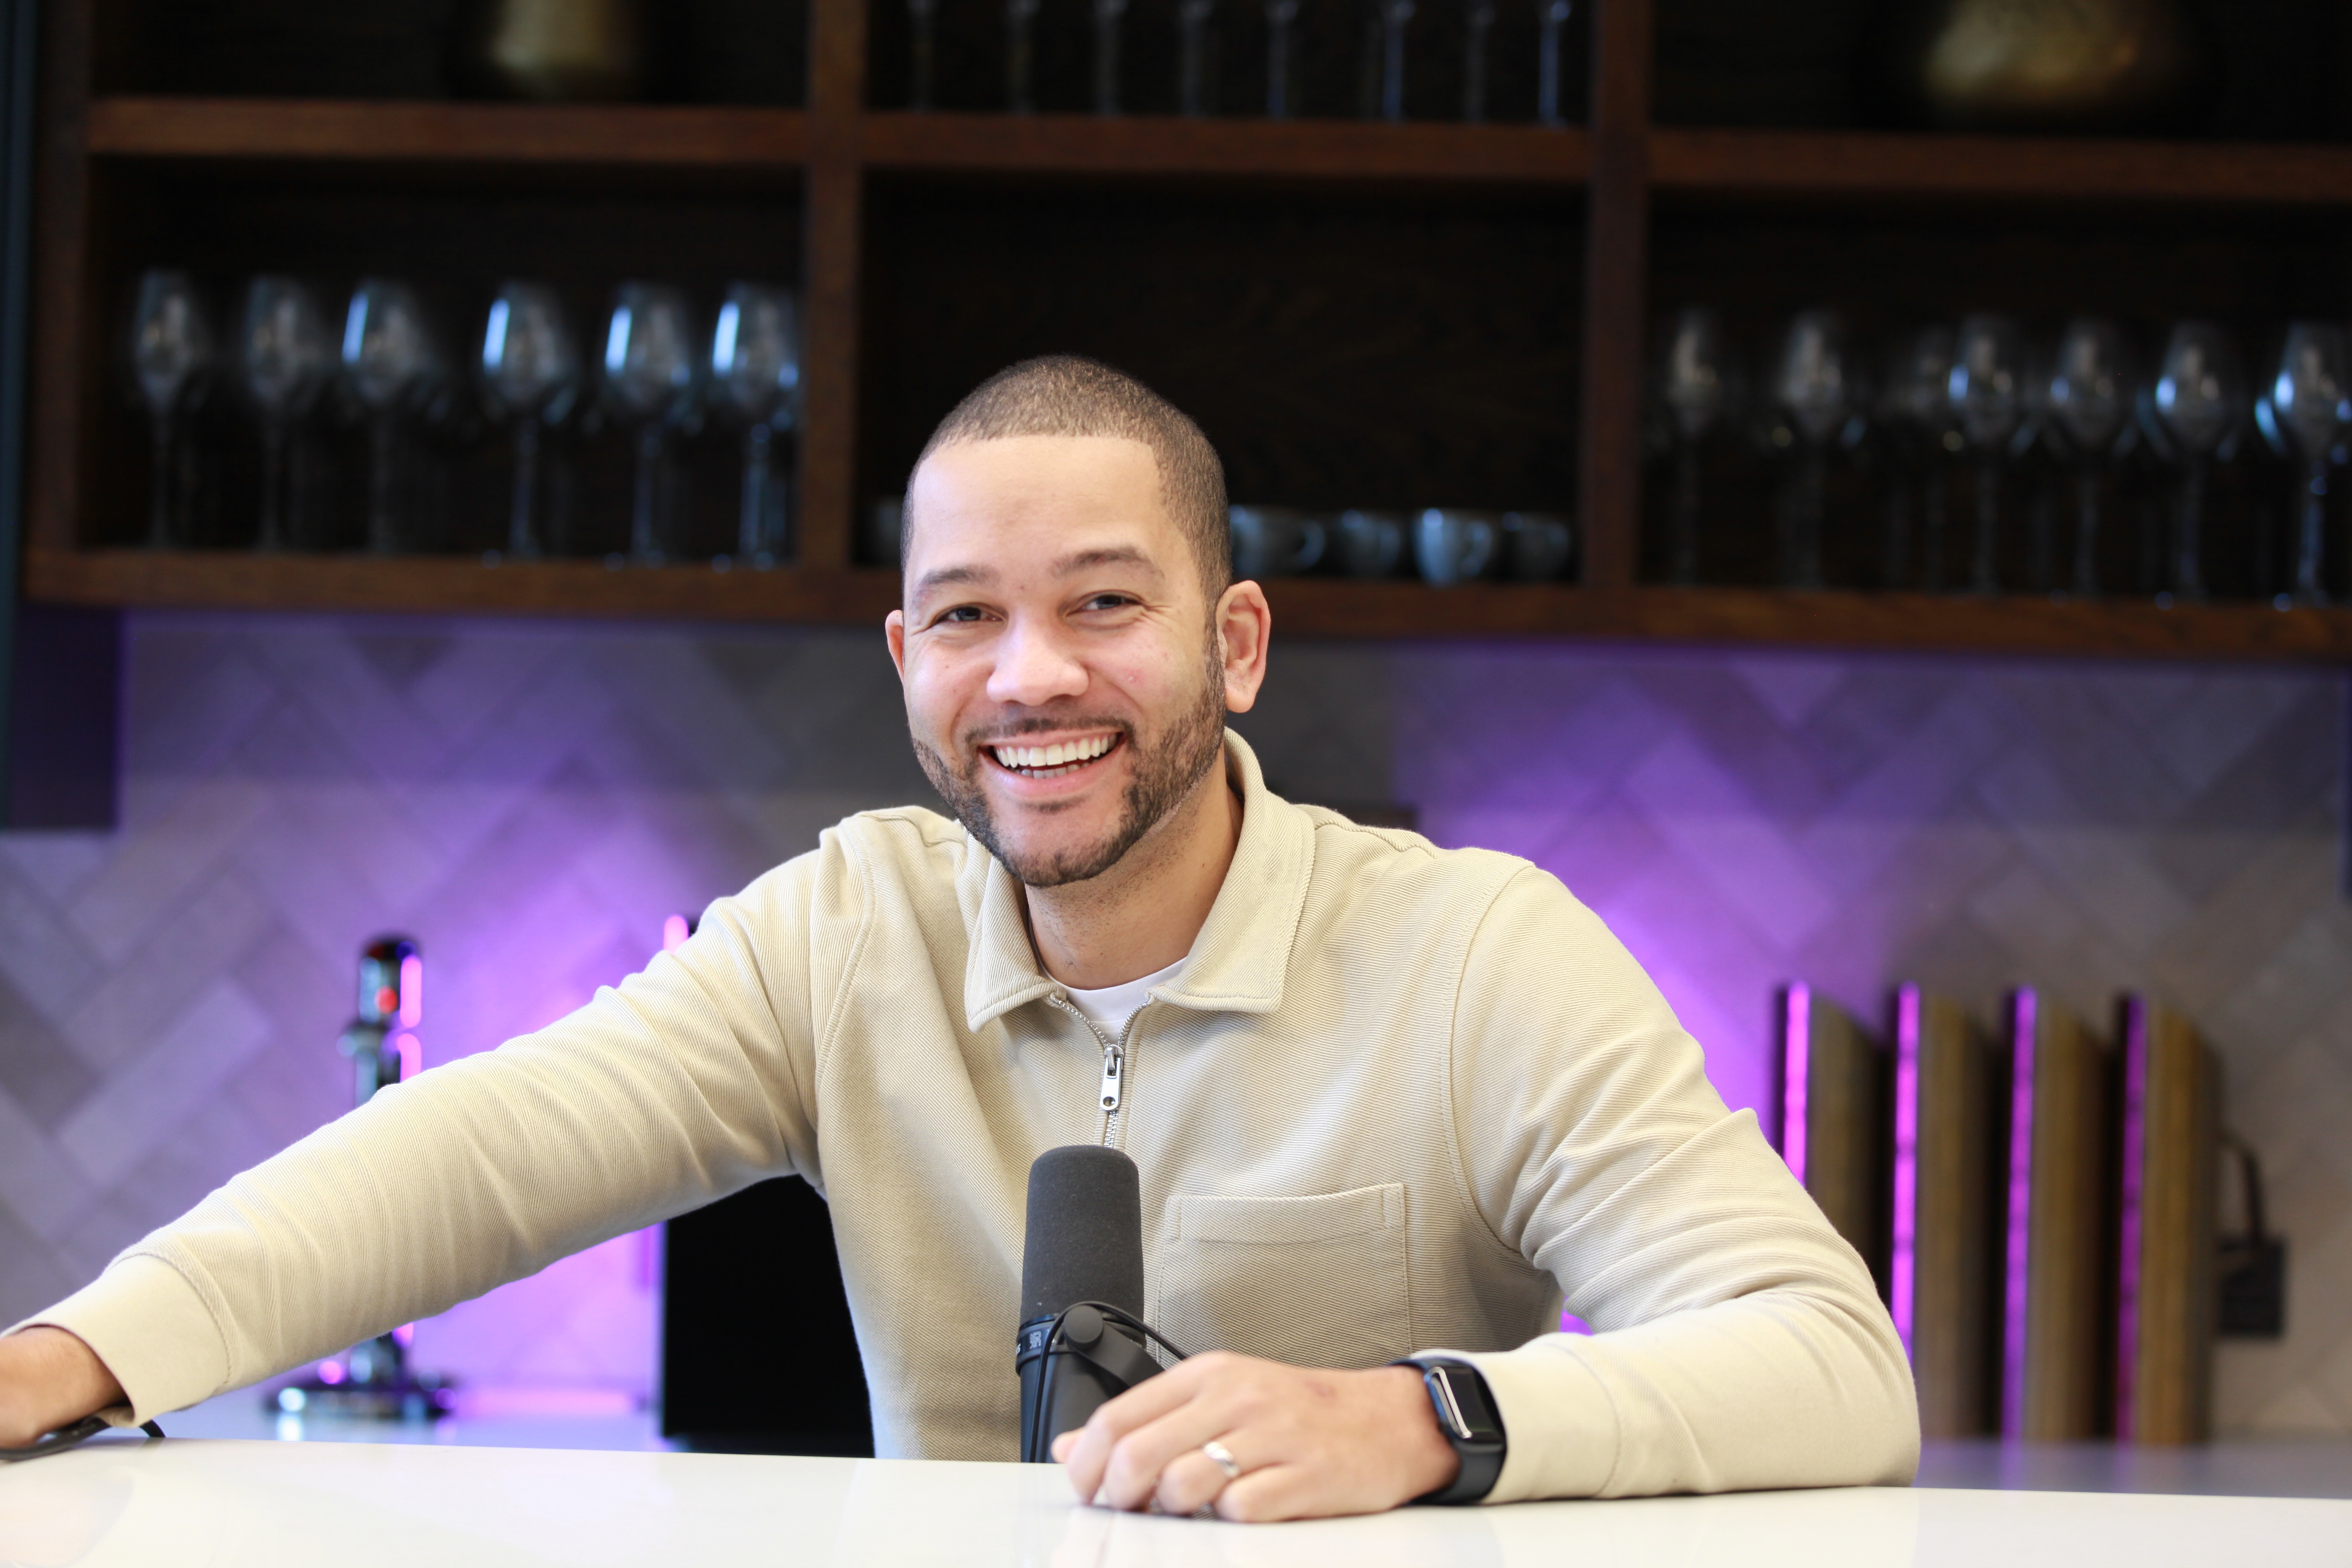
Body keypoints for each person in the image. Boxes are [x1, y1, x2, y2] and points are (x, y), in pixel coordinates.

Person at [0, 356, 1916, 1518]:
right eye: (971, 619)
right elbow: (481, 1149)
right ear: (907, 662)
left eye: (1104, 604)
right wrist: (79, 1351)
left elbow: (1834, 1364)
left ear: (1234, 646)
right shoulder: (847, 932)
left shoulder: (1484, 954)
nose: (1036, 679)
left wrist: (1424, 1419)